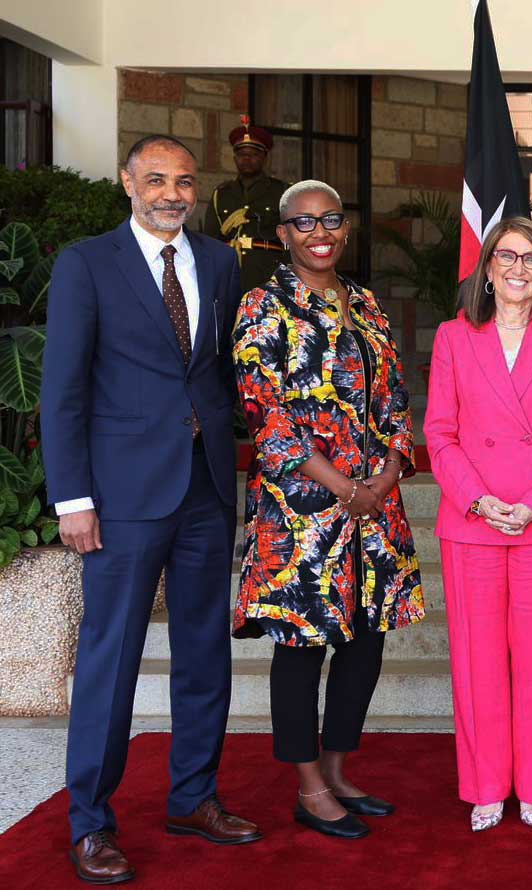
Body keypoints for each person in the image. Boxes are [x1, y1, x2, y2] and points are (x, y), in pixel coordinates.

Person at [42, 134, 260, 884]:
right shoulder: (86, 264)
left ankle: (193, 796)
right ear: (128, 184)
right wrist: (73, 498)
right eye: (158, 179)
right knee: (112, 658)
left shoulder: (222, 262)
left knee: (206, 652)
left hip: (203, 487)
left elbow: (219, 372)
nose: (173, 192)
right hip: (122, 496)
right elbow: (63, 389)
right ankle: (90, 824)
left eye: (186, 182)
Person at [232, 179, 424, 840]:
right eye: (304, 222)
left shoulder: (366, 303)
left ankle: (338, 769)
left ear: (345, 228)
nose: (321, 232)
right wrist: (345, 487)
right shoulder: (263, 304)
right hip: (303, 513)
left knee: (366, 643)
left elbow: (396, 402)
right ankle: (308, 786)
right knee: (303, 648)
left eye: (332, 220)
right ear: (283, 233)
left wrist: (388, 473)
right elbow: (266, 417)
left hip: (375, 508)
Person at [425, 217, 532, 832]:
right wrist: (476, 499)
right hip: (473, 521)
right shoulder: (452, 336)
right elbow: (439, 432)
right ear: (487, 269)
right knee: (478, 662)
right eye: (507, 258)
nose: (519, 269)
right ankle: (488, 786)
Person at [202, 115, 291, 294]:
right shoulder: (221, 194)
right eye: (242, 154)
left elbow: (293, 240)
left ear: (265, 157)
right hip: (229, 273)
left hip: (268, 274)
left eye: (254, 154)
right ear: (235, 158)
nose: (247, 159)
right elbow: (210, 242)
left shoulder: (281, 191)